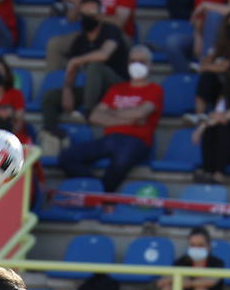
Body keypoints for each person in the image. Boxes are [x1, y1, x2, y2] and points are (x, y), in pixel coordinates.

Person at [57, 45, 161, 193]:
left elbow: (141, 112)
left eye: (142, 61)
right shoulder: (117, 89)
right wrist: (128, 118)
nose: (136, 65)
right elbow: (94, 116)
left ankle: (101, 195)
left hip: (136, 141)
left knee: (120, 162)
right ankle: (97, 190)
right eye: (133, 61)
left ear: (150, 65)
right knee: (67, 157)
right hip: (110, 139)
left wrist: (111, 113)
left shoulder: (155, 89)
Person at [41, 0, 127, 139]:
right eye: (84, 14)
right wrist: (67, 90)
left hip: (117, 87)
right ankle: (50, 134)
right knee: (50, 97)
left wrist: (78, 60)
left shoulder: (111, 31)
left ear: (100, 15)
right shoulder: (81, 40)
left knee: (95, 66)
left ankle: (87, 113)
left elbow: (104, 54)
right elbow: (72, 67)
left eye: (91, 13)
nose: (87, 17)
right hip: (93, 89)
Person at [46, 0, 137, 74]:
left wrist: (94, 15)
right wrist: (79, 3)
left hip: (118, 35)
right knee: (55, 44)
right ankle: (53, 84)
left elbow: (119, 22)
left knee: (98, 61)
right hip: (90, 32)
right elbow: (71, 18)